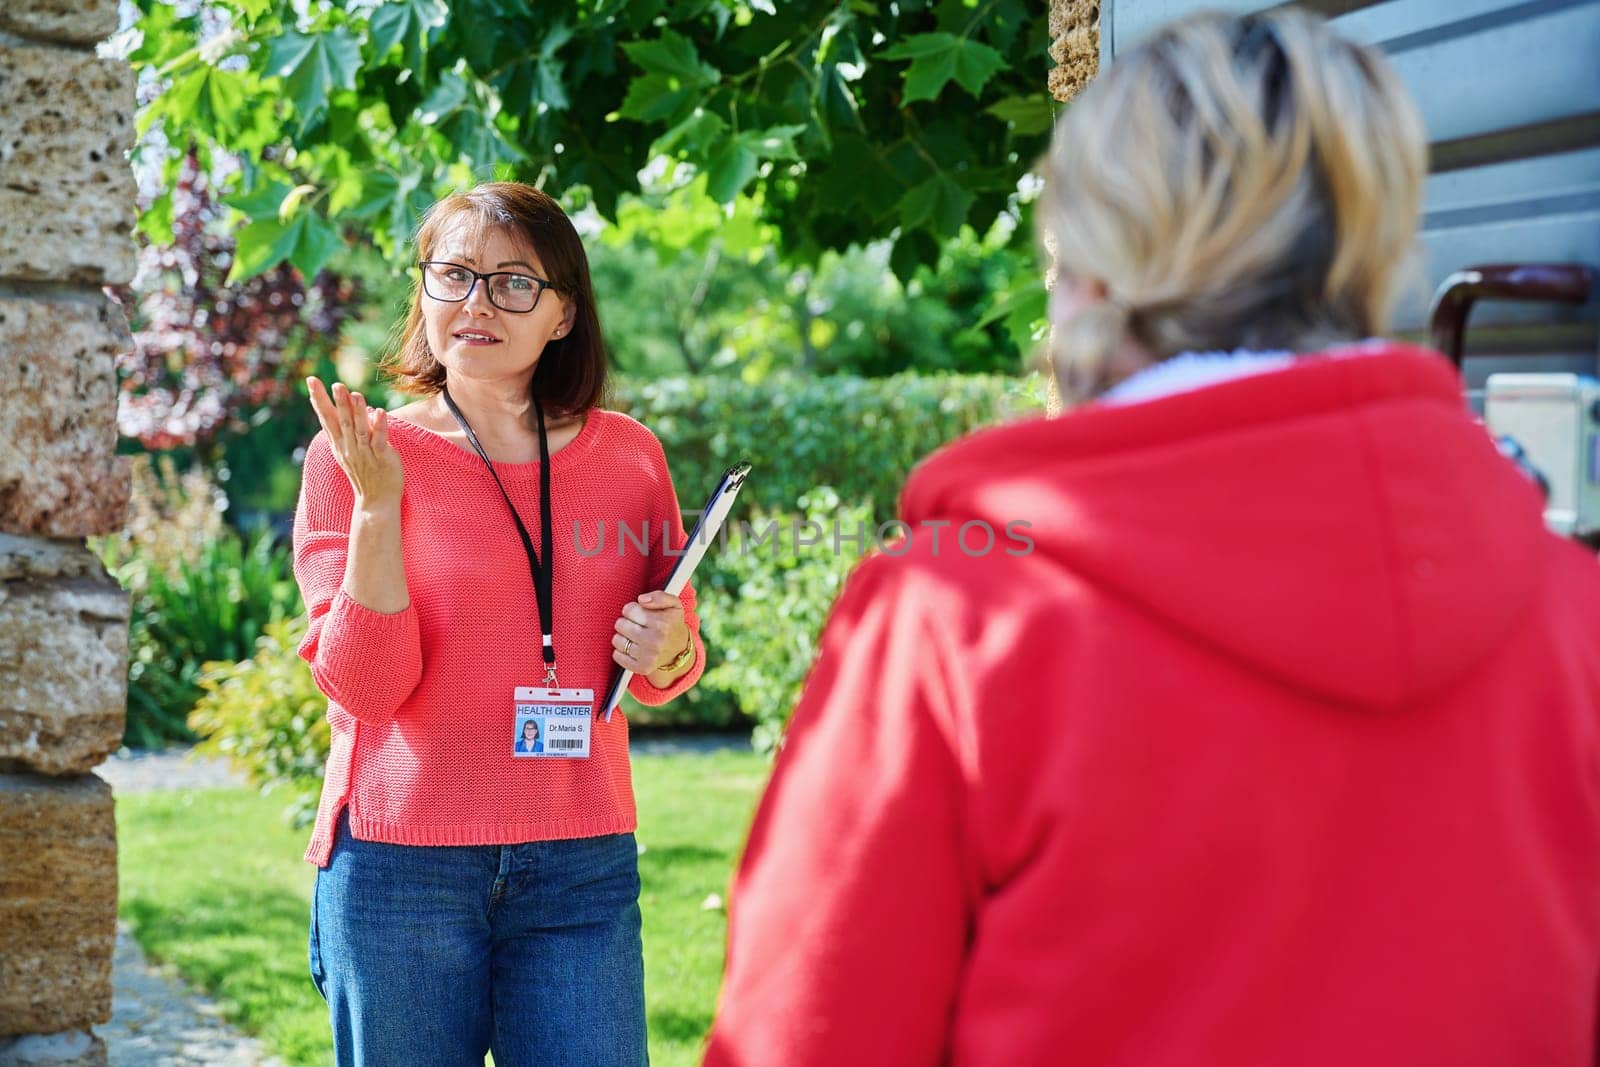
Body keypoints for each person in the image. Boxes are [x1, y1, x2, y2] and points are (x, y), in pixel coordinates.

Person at [704, 11, 1600, 1066]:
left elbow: (806, 1037)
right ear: (1371, 240)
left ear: (1090, 261)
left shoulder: (954, 622)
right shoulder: (1571, 612)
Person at [294, 182, 704, 1066]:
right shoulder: (356, 455)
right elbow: (366, 689)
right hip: (403, 863)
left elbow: (673, 657)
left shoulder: (629, 457)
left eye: (513, 282)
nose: (476, 303)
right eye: (454, 275)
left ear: (562, 314)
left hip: (579, 860)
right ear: (425, 292)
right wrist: (377, 510)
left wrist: (668, 649)